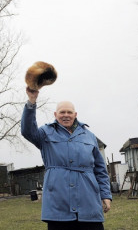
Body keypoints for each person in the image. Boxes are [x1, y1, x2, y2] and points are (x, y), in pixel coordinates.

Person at [21, 87, 112, 230]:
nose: (66, 115)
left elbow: (100, 169)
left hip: (88, 202)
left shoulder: (89, 136)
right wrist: (31, 102)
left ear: (75, 114)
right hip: (58, 204)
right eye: (62, 112)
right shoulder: (46, 133)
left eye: (69, 112)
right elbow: (27, 131)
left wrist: (106, 195)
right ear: (55, 114)